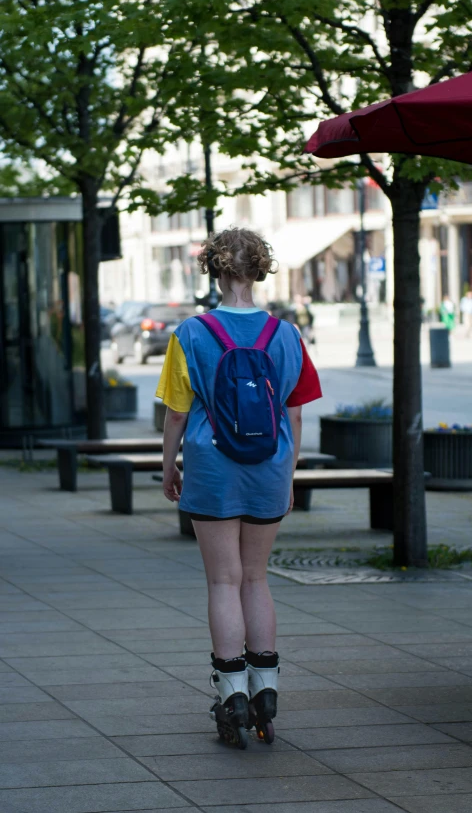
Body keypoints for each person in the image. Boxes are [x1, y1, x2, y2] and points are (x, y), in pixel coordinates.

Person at [156, 228, 322, 748]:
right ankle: (266, 690)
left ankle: (230, 694)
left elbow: (176, 412)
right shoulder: (287, 335)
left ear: (216, 269)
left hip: (212, 468)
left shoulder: (190, 333)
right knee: (257, 579)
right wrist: (288, 474)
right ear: (259, 269)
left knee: (223, 582)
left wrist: (168, 467)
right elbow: (293, 413)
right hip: (269, 466)